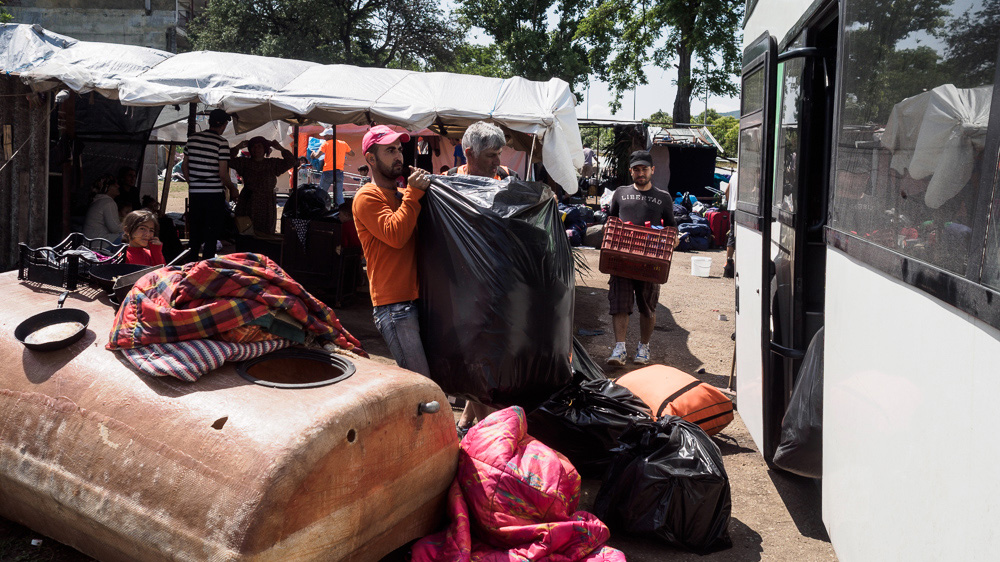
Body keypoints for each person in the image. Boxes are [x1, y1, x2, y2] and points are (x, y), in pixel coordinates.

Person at [352, 125, 432, 375]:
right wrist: (414, 193)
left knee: (434, 384)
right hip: (394, 307)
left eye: (399, 149)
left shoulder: (402, 195)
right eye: (390, 150)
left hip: (420, 300)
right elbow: (396, 235)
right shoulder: (367, 197)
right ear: (371, 159)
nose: (399, 155)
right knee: (422, 386)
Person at [606, 150, 677, 366]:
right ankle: (619, 349)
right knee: (620, 304)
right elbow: (611, 220)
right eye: (636, 169)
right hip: (622, 259)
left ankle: (643, 348)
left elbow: (672, 227)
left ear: (652, 170)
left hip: (649, 262)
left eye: (644, 169)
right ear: (631, 171)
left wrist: (673, 240)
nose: (640, 173)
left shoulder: (663, 197)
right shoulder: (620, 193)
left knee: (648, 306)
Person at [183, 108, 239, 261]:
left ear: (209, 122)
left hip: (195, 193)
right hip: (214, 194)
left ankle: (192, 262)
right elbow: (222, 173)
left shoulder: (192, 139)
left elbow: (184, 166)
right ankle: (207, 265)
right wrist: (233, 188)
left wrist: (192, 182)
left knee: (195, 230)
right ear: (224, 125)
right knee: (211, 233)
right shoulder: (221, 142)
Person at [229, 136, 295, 234]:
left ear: (265, 149)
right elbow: (226, 159)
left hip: (266, 202)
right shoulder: (244, 163)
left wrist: (280, 148)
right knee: (246, 230)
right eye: (253, 147)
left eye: (259, 146)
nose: (256, 149)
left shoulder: (272, 163)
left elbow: (291, 161)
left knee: (266, 231)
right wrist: (238, 147)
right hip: (248, 201)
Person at [446, 121, 520, 180]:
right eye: (491, 155)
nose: (497, 162)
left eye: (499, 154)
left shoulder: (509, 177)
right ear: (470, 154)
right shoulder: (446, 181)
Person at [311, 127, 355, 207]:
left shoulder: (325, 144)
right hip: (339, 172)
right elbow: (352, 154)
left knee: (321, 192)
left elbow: (317, 156)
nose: (323, 137)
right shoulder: (343, 143)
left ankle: (319, 208)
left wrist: (313, 152)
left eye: (325, 136)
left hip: (328, 171)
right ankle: (341, 212)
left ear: (330, 135)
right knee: (339, 195)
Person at [83, 174, 122, 242]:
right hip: (99, 243)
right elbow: (115, 228)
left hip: (90, 241)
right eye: (115, 184)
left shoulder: (98, 200)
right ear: (107, 187)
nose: (118, 186)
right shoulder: (108, 202)